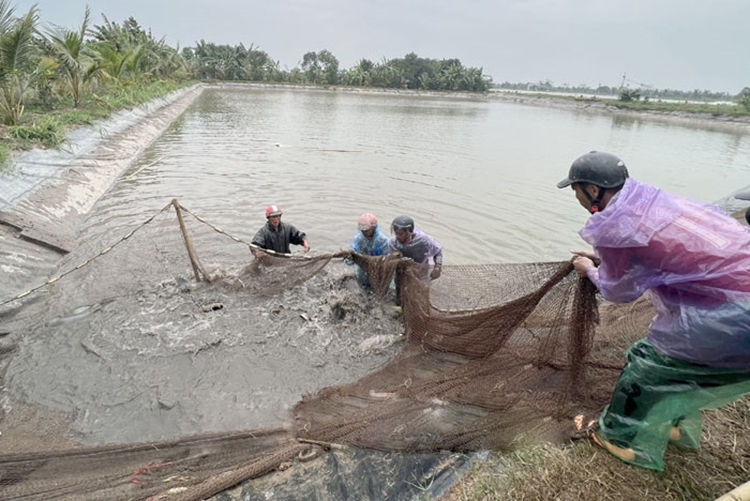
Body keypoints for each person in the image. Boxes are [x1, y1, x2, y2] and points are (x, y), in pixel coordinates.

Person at [559, 150, 750, 471]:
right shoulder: (650, 201)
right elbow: (661, 253)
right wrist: (606, 263)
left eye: (576, 188)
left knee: (648, 364)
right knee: (687, 372)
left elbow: (617, 292)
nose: (575, 195)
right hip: (735, 294)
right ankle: (673, 425)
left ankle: (620, 440)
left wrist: (589, 270)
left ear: (593, 190)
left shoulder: (613, 226)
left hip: (732, 316)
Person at [347, 213, 390, 288]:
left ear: (374, 228)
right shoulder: (358, 239)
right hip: (363, 271)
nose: (365, 233)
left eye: (367, 230)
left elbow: (388, 258)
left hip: (379, 272)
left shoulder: (383, 240)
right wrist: (350, 258)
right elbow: (352, 251)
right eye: (363, 231)